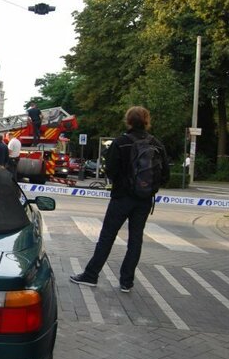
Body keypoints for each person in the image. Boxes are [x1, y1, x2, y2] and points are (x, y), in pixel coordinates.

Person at [70, 106, 169, 293]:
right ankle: (126, 281)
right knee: (135, 239)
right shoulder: (156, 144)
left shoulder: (121, 142)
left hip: (121, 197)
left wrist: (120, 183)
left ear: (128, 121)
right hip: (144, 200)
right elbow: (165, 174)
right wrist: (148, 188)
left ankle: (91, 275)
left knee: (107, 236)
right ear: (147, 121)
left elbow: (110, 170)